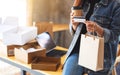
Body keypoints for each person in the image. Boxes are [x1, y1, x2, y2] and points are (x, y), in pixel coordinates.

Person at [62, 0, 120, 75]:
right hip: (78, 52)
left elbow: (115, 37)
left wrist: (99, 30)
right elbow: (74, 32)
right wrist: (74, 26)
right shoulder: (81, 2)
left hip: (101, 58)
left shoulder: (116, 4)